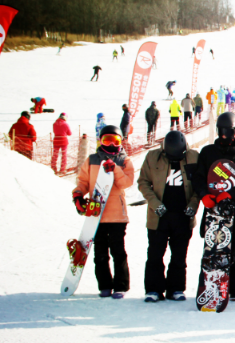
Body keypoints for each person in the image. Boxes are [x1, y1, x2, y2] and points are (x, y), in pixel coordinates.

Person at [191, 112, 235, 300]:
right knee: (212, 248)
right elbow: (198, 177)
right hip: (212, 208)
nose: (224, 135)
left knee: (234, 248)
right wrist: (204, 195)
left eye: (228, 131)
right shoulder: (207, 152)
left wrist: (232, 194)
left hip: (233, 210)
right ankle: (209, 285)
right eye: (221, 131)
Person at [71, 125, 135, 298]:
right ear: (100, 141)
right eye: (107, 140)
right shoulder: (92, 159)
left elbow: (126, 183)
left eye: (116, 141)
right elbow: (83, 181)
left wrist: (116, 169)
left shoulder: (125, 161)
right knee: (100, 253)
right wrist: (78, 195)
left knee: (118, 251)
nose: (112, 144)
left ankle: (120, 286)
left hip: (117, 216)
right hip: (96, 214)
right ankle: (105, 285)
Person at [139, 131, 199, 302]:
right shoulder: (152, 157)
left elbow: (199, 184)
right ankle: (153, 289)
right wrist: (154, 203)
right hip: (159, 216)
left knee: (179, 255)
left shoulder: (194, 157)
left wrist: (193, 205)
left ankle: (176, 288)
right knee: (155, 254)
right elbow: (143, 182)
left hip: (183, 216)